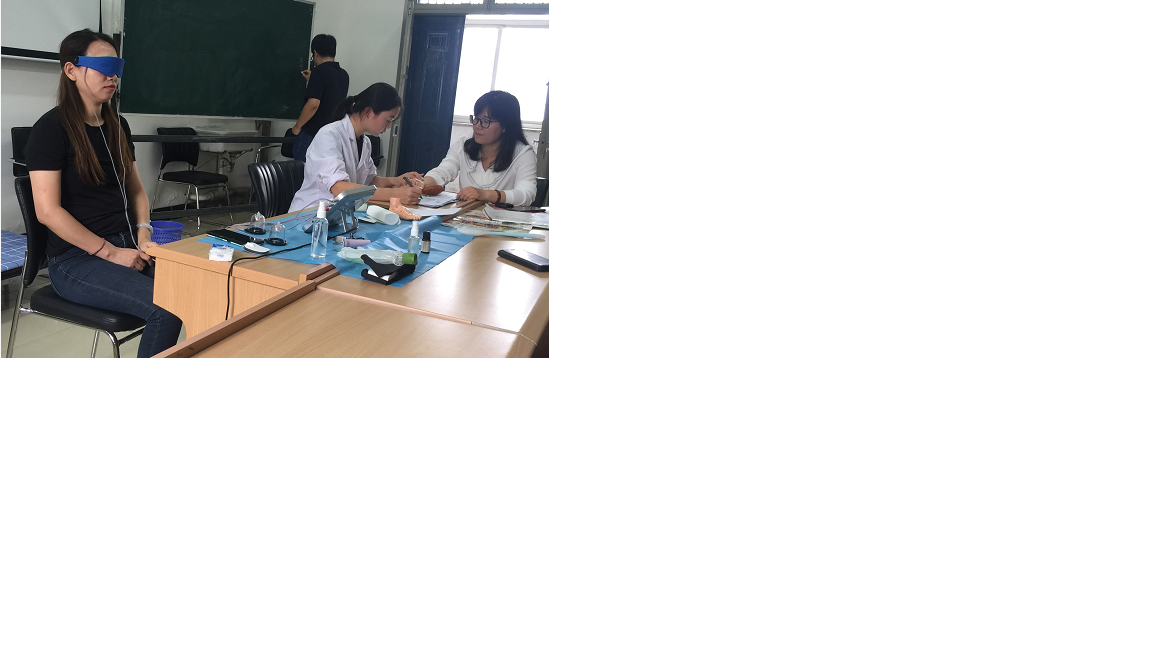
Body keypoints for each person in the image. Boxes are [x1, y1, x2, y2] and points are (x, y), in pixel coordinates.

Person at [23, 29, 182, 357]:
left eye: (117, 67)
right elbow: (47, 211)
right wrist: (111, 253)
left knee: (203, 287)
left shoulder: (117, 125)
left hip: (128, 244)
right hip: (76, 259)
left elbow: (136, 190)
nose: (113, 76)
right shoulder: (50, 129)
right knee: (166, 309)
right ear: (71, 70)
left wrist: (143, 233)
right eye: (104, 66)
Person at [289, 83, 424, 213]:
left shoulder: (365, 142)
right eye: (388, 120)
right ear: (369, 112)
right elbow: (339, 188)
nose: (389, 126)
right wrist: (395, 194)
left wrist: (394, 181)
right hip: (310, 213)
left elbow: (369, 181)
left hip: (337, 214)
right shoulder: (329, 135)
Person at [422, 90, 537, 206]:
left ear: (505, 126)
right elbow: (443, 171)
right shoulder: (463, 145)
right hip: (465, 215)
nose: (477, 126)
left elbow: (526, 195)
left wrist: (485, 194)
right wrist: (422, 183)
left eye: (486, 121)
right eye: (476, 119)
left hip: (501, 217)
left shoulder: (523, 153)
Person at [290, 34, 349, 162]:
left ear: (315, 53)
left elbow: (313, 104)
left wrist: (298, 126)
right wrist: (312, 81)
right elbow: (330, 95)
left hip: (312, 133)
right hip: (331, 134)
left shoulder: (319, 72)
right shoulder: (343, 75)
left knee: (302, 169)